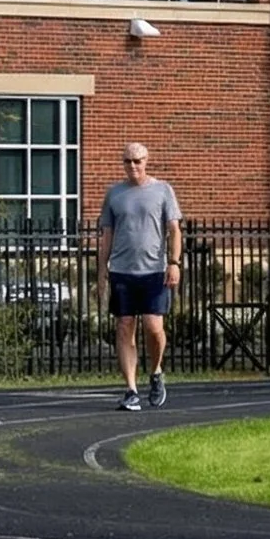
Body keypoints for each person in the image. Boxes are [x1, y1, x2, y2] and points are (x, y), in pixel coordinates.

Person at [95, 141, 181, 411]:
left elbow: (175, 230)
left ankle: (155, 372)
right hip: (122, 270)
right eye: (128, 161)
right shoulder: (114, 194)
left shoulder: (162, 190)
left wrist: (174, 262)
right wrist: (101, 273)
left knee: (153, 328)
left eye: (138, 161)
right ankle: (131, 389)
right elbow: (106, 236)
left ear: (146, 161)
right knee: (124, 327)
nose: (133, 166)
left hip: (154, 270)